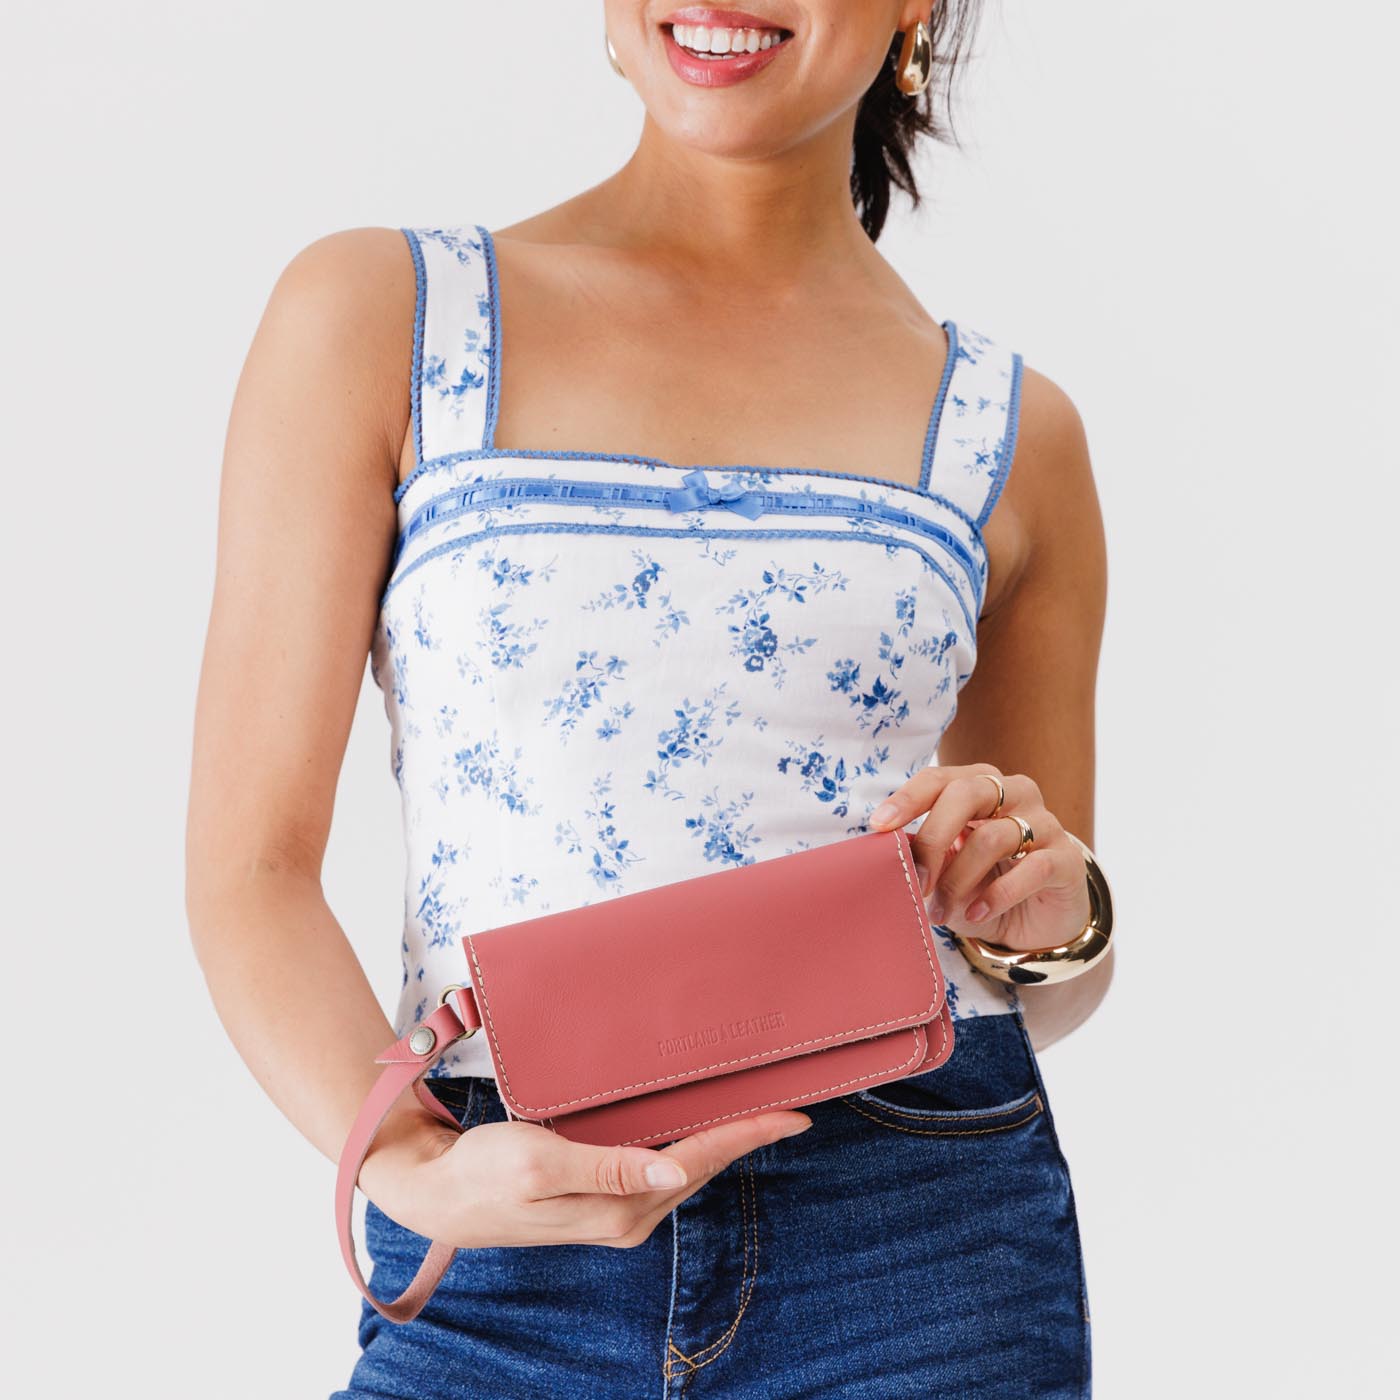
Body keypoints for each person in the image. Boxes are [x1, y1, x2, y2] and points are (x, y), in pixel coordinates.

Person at [186, 3, 1111, 1395]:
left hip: (915, 1236)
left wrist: (1054, 909)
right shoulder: (388, 316)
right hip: (503, 1232)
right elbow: (249, 868)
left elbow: (1039, 970)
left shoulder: (1013, 429)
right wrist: (412, 1162)